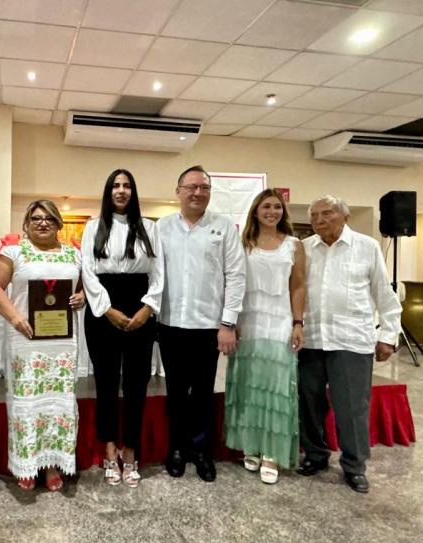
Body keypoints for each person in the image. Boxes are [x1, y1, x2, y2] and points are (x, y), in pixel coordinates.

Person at [297, 195, 401, 494]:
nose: (319, 219)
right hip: (312, 339)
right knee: (309, 404)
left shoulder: (367, 247)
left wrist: (388, 337)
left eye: (326, 213)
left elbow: (385, 294)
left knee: (352, 408)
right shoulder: (304, 248)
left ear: (345, 216)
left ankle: (354, 466)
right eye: (314, 214)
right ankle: (315, 456)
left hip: (351, 341)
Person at [0, 200, 85, 491]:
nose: (42, 223)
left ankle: (53, 463)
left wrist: (82, 296)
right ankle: (26, 463)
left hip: (62, 343)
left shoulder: (74, 255)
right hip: (25, 339)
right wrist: (15, 317)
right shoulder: (14, 252)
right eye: (36, 218)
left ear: (59, 224)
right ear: (27, 224)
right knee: (26, 403)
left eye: (49, 219)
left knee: (58, 402)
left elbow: (84, 288)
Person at [158, 165, 246, 483]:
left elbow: (236, 276)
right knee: (176, 392)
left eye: (204, 188)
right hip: (169, 324)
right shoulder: (162, 228)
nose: (198, 193)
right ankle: (177, 449)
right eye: (192, 187)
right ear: (178, 191)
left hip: (210, 327)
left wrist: (228, 323)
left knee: (204, 394)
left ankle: (201, 450)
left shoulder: (223, 228)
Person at [81, 169, 163, 488]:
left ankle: (130, 452)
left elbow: (159, 273)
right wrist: (106, 309)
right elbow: (87, 271)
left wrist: (147, 308)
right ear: (107, 191)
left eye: (127, 185)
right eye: (115, 185)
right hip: (104, 309)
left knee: (136, 384)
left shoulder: (149, 228)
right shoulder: (93, 227)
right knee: (105, 383)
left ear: (134, 192)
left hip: (140, 306)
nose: (121, 190)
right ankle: (109, 449)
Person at [224, 189, 306, 484]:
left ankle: (272, 451)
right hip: (249, 321)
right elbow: (230, 282)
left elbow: (298, 287)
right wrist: (231, 322)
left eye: (277, 207)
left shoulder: (294, 246)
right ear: (255, 211)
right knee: (250, 385)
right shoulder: (242, 244)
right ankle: (253, 445)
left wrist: (298, 323)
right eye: (266, 206)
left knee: (276, 386)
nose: (272, 211)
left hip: (279, 322)